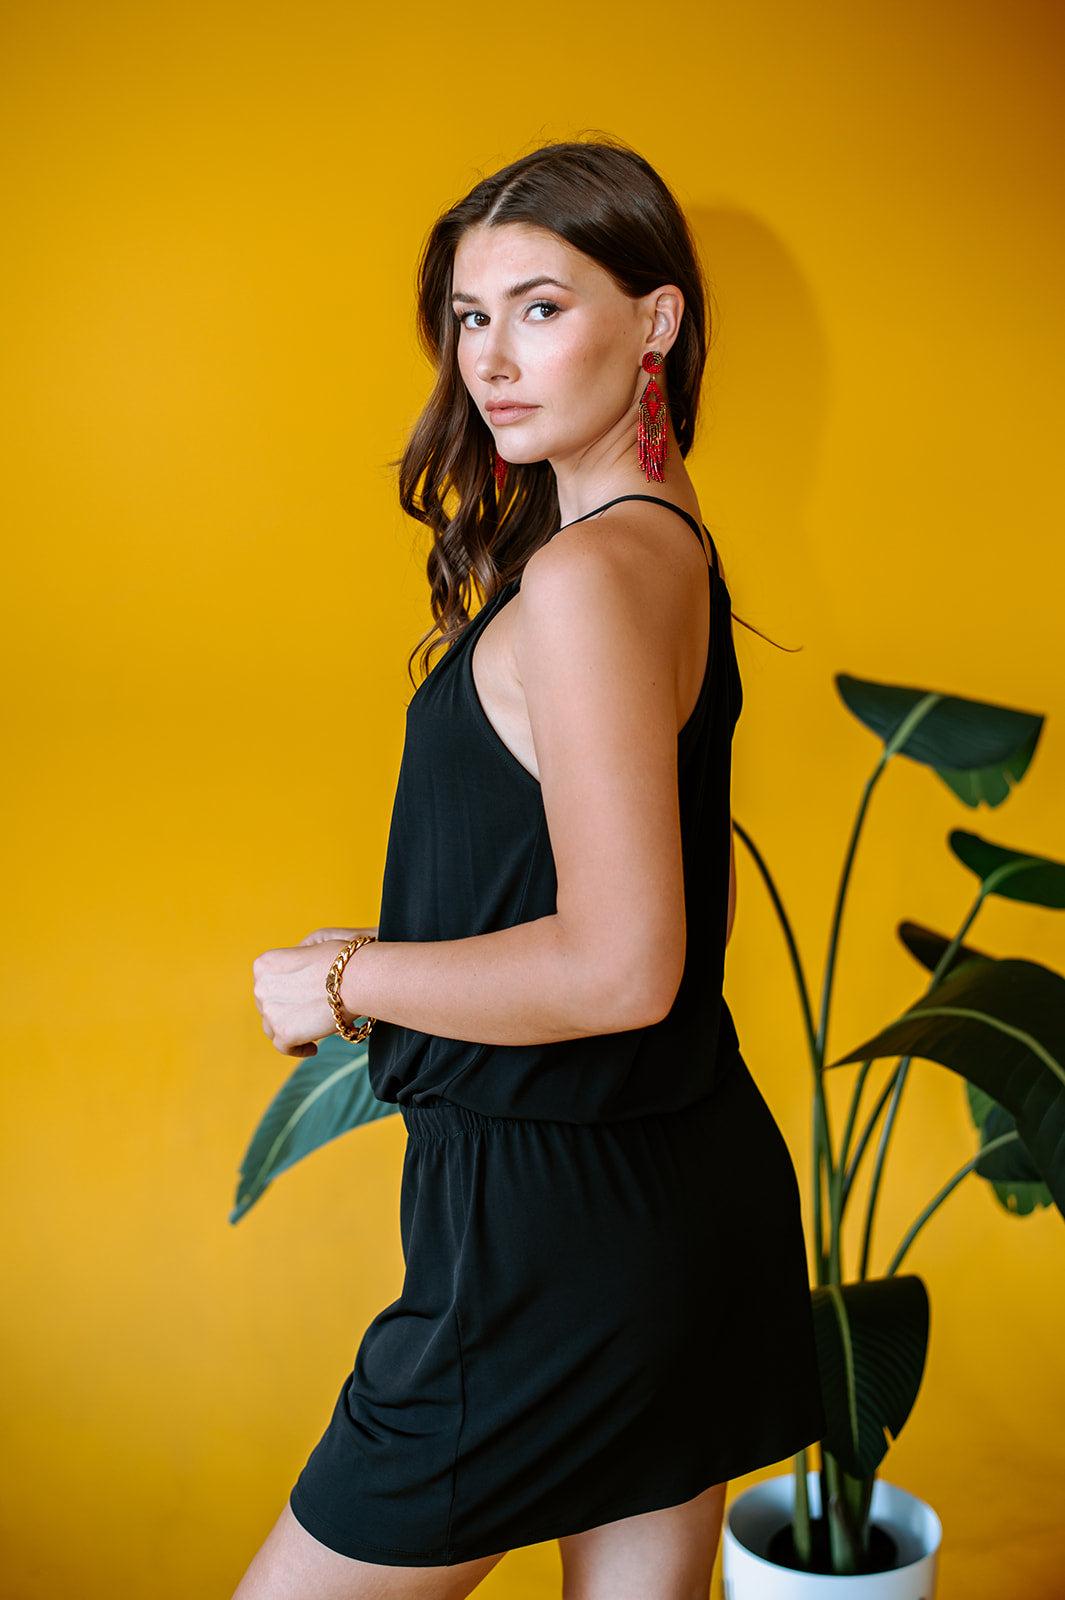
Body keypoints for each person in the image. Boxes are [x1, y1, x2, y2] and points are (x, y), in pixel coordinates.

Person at [238, 135, 825, 1600]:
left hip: (551, 1237)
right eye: (467, 315)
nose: (491, 357)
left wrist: (345, 978)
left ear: (657, 321)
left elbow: (623, 965)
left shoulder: (583, 580)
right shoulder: (660, 550)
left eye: (541, 306)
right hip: (671, 1185)